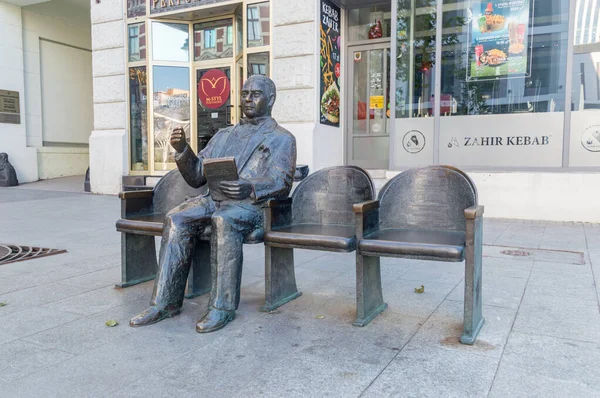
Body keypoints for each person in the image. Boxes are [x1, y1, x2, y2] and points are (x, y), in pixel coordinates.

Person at [130, 75, 296, 333]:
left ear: (271, 100)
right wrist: (183, 149)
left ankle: (222, 307)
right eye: (244, 94)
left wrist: (250, 186)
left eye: (256, 94)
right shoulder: (223, 135)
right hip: (214, 199)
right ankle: (164, 302)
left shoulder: (282, 138)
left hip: (252, 206)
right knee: (176, 218)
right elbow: (197, 176)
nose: (248, 99)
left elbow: (281, 181)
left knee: (223, 220)